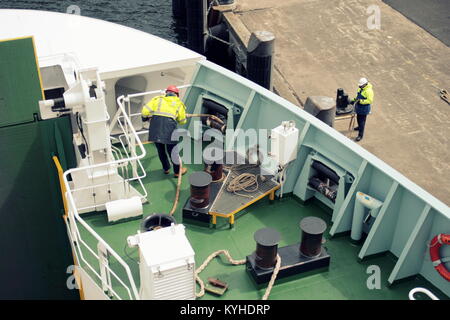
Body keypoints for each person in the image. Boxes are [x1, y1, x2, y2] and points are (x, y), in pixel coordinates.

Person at [141, 85, 188, 177]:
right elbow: (182, 121)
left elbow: (144, 112)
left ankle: (166, 168)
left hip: (155, 127)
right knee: (173, 151)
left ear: (166, 93)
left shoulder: (157, 99)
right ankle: (177, 171)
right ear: (176, 95)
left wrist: (145, 118)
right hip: (169, 128)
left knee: (160, 149)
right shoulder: (179, 103)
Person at [350, 77, 374, 142]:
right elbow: (358, 96)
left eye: (361, 85)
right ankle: (359, 127)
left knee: (362, 121)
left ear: (365, 84)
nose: (360, 86)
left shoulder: (369, 91)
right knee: (358, 118)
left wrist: (361, 101)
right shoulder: (361, 88)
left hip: (364, 108)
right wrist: (353, 100)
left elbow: (370, 100)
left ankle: (360, 135)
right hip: (359, 106)